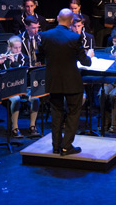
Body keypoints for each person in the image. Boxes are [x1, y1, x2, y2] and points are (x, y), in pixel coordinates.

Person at [38, 9, 92, 155]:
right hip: (71, 82)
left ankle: (56, 146)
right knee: (73, 113)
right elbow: (85, 62)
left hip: (53, 81)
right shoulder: (74, 37)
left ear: (57, 18)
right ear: (70, 22)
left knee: (56, 113)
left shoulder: (44, 35)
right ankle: (66, 146)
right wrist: (89, 57)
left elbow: (39, 56)